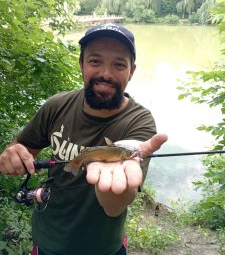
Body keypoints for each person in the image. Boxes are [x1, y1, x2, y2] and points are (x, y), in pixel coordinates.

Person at [0, 22, 167, 255]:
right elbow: (21, 150)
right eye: (95, 61)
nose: (105, 74)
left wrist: (111, 190)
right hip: (47, 239)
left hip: (103, 247)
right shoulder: (56, 105)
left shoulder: (139, 122)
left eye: (119, 64)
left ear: (131, 71)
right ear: (81, 64)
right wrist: (12, 155)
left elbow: (115, 206)